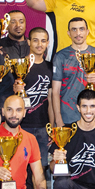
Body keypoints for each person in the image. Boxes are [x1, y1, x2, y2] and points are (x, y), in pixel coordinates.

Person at [51, 17, 95, 127]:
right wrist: (58, 119)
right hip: (67, 117)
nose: (78, 33)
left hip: (91, 117)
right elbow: (55, 91)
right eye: (74, 29)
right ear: (68, 33)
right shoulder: (60, 56)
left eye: (81, 29)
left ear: (87, 32)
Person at [19, 27, 54, 180]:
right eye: (35, 40)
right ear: (29, 42)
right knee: (21, 165)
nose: (39, 44)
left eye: (43, 40)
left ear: (47, 43)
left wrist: (52, 127)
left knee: (41, 166)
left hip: (42, 126)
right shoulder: (19, 66)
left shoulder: (50, 67)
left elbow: (52, 99)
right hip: (23, 125)